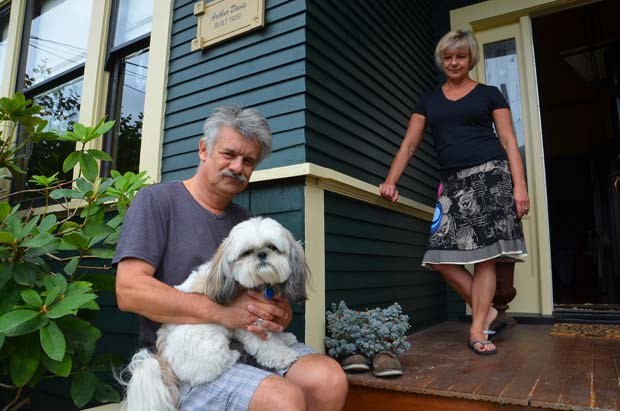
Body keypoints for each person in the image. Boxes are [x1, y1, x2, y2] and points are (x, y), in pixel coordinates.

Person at [114, 105, 348, 410]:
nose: (238, 167)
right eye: (229, 154)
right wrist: (223, 313)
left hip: (251, 343)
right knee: (282, 399)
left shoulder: (247, 224)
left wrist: (277, 314)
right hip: (185, 359)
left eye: (248, 160)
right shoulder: (157, 202)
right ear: (203, 149)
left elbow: (277, 308)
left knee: (329, 379)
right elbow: (129, 292)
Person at [379, 29, 528, 356]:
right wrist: (391, 180)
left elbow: (507, 141)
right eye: (448, 57)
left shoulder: (489, 94)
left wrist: (520, 186)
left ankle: (478, 330)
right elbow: (409, 144)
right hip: (453, 183)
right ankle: (486, 312)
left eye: (460, 56)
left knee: (486, 256)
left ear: (470, 58)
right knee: (438, 257)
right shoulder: (429, 100)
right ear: (441, 60)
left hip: (492, 176)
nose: (454, 62)